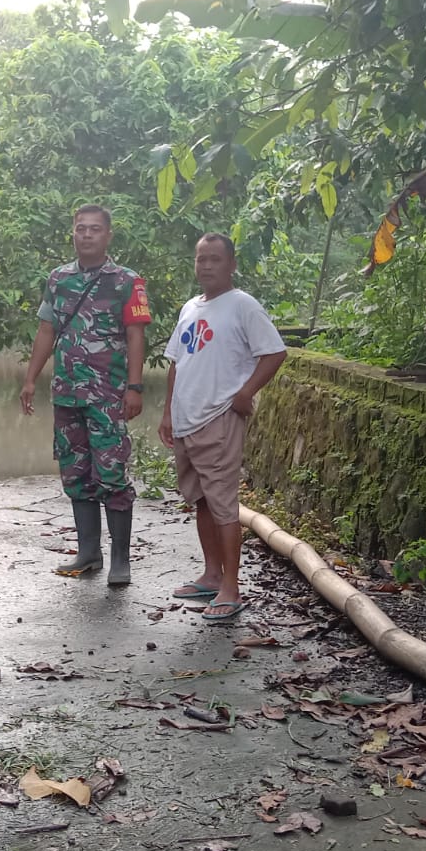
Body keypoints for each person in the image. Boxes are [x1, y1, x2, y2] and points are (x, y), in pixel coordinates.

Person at [158, 232, 287, 623]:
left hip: (218, 418)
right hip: (186, 419)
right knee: (200, 499)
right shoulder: (189, 308)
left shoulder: (243, 305)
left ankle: (231, 586)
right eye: (201, 259)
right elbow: (177, 364)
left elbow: (275, 352)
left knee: (223, 504)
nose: (207, 265)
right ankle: (211, 575)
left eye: (215, 259)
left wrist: (246, 393)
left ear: (231, 265)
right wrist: (168, 414)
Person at [21, 204, 151, 584]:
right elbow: (47, 330)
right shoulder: (58, 279)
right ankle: (89, 552)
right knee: (75, 472)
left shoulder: (127, 281)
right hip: (67, 394)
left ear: (108, 235)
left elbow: (135, 334)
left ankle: (121, 560)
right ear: (73, 234)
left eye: (95, 229)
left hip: (108, 395)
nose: (87, 234)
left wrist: (135, 386)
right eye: (81, 229)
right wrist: (31, 378)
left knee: (112, 473)